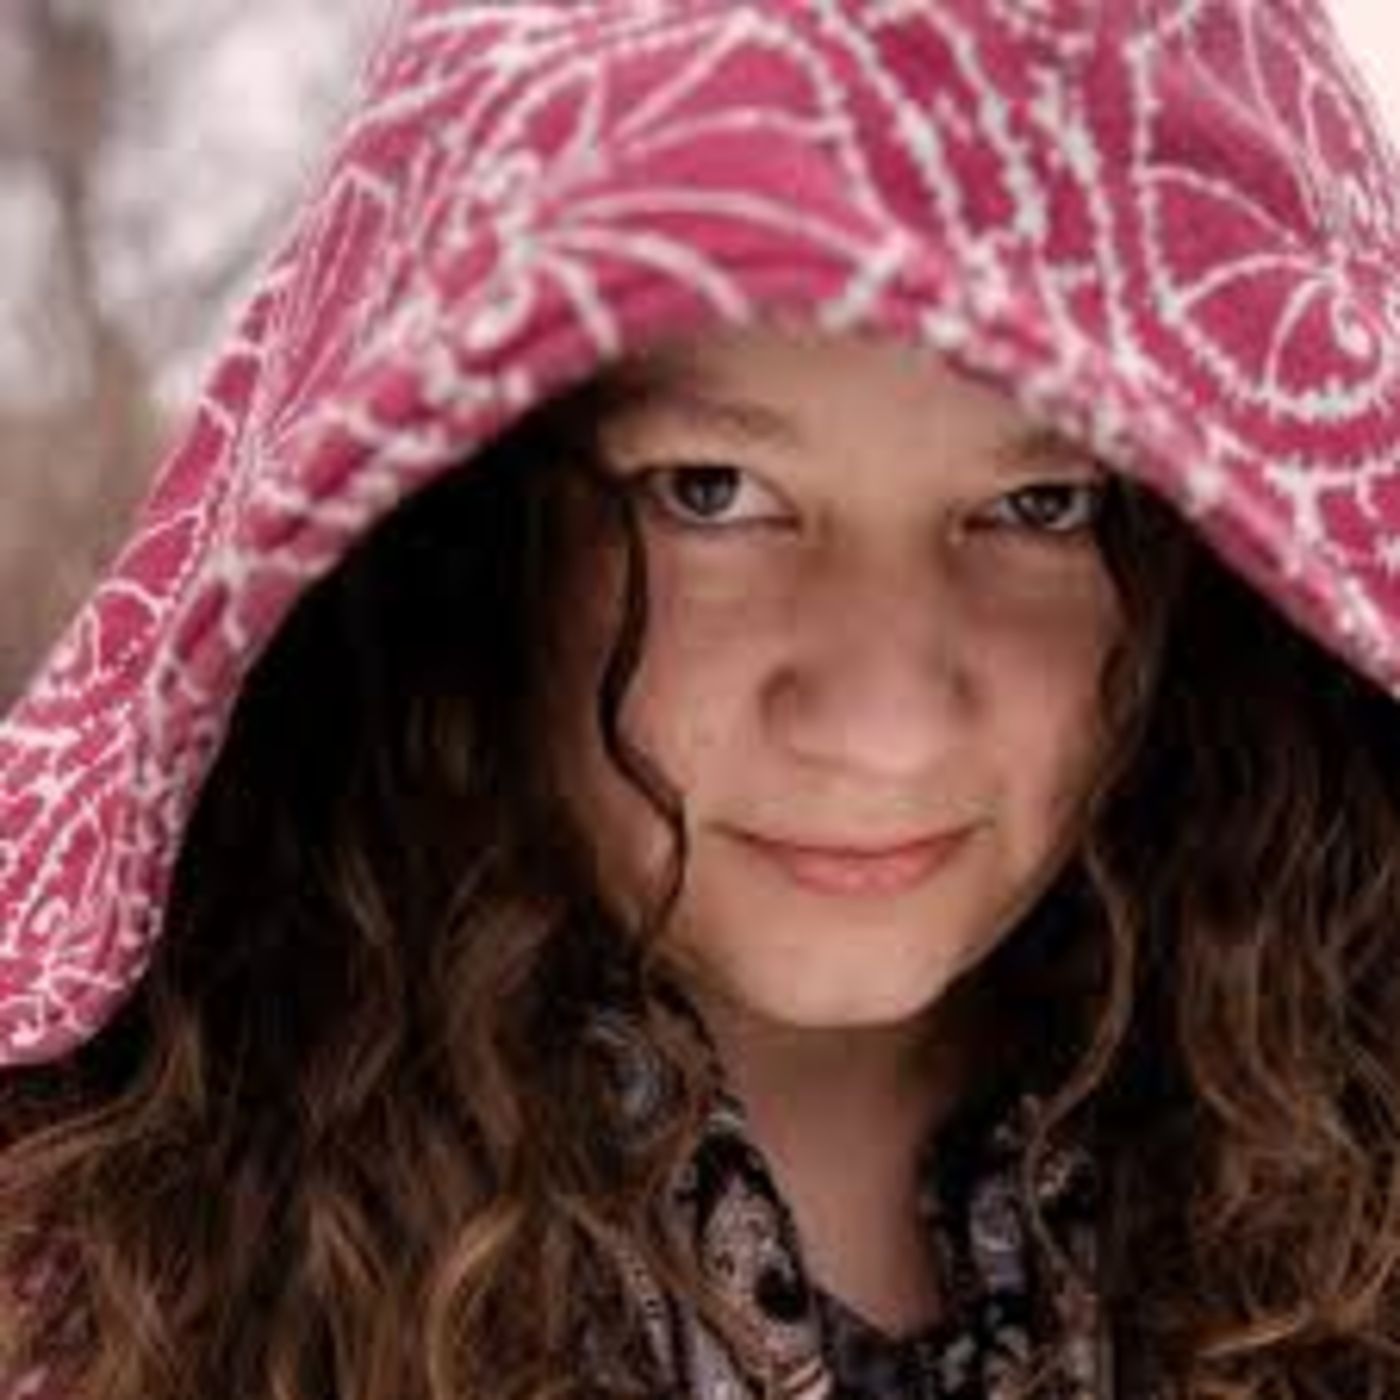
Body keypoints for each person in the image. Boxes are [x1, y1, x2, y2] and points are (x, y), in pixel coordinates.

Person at [2, 0, 1399, 1395]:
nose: (882, 728)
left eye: (1043, 504)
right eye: (710, 493)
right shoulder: (98, 1297)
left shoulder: (1366, 1198)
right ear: (457, 532)